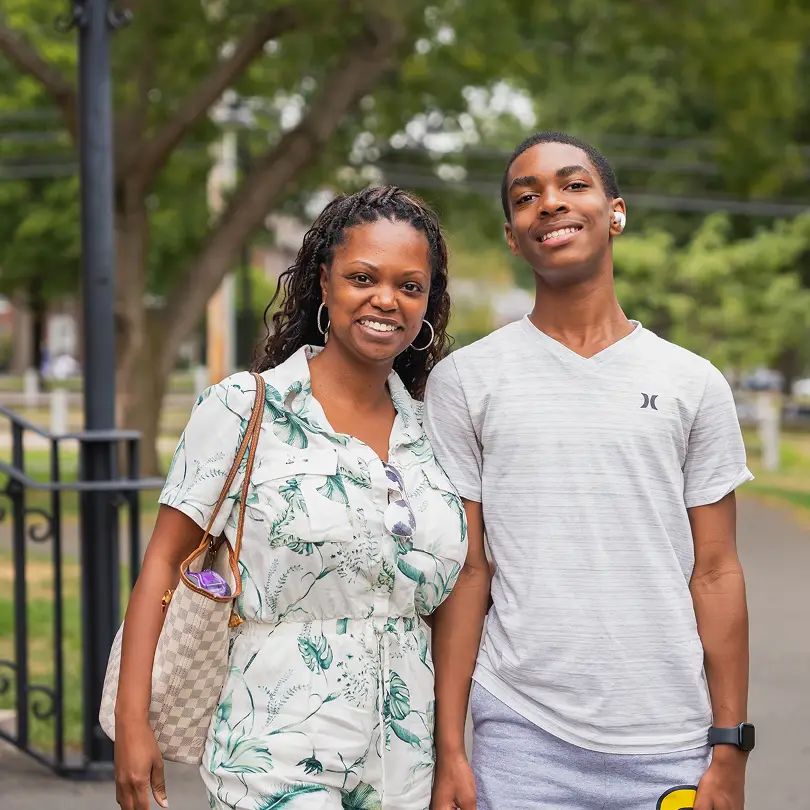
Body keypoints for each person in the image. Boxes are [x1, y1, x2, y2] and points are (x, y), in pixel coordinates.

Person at [425, 133, 755, 810]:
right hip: (520, 736)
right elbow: (468, 569)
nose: (550, 203)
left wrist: (729, 746)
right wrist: (449, 748)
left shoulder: (693, 383)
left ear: (616, 213)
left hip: (670, 741)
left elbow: (716, 570)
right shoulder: (466, 381)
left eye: (573, 186)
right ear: (514, 238)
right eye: (526, 197)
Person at [113, 186, 468, 810]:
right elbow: (163, 564)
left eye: (409, 286)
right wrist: (131, 722)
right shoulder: (245, 408)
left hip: (403, 759)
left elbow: (449, 597)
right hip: (274, 747)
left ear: (427, 304)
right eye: (363, 277)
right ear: (324, 284)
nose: (386, 299)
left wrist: (449, 753)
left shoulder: (433, 432)